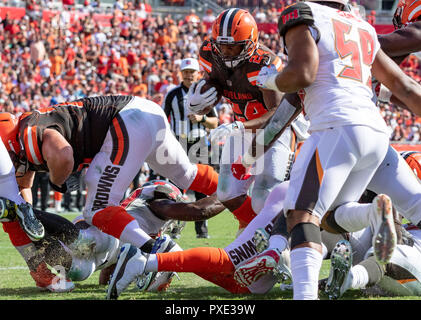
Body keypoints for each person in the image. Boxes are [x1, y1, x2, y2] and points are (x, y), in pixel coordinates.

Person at [233, 0, 421, 300]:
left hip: (336, 129)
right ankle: (374, 213)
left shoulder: (301, 13)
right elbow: (405, 87)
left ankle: (304, 295)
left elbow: (302, 75)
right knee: (331, 215)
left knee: (301, 215)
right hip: (375, 134)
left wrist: (271, 79)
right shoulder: (362, 25)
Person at [1, 95, 220, 261]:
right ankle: (242, 203)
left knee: (96, 209)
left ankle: (158, 252)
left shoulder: (27, 133)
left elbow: (63, 155)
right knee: (187, 175)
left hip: (125, 122)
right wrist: (26, 215)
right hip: (144, 111)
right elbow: (23, 188)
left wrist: (57, 182)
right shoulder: (22, 142)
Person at [187, 8, 308, 232]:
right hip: (241, 129)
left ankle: (281, 236)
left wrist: (238, 125)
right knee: (226, 192)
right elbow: (217, 85)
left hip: (274, 132)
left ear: (250, 42)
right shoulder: (209, 53)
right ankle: (254, 229)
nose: (226, 51)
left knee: (264, 194)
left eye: (233, 46)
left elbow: (277, 112)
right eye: (221, 45)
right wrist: (202, 103)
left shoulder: (263, 63)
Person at [106, 181, 292, 300]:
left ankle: (170, 252)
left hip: (298, 202)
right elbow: (197, 209)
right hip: (293, 201)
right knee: (229, 260)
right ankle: (144, 263)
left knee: (248, 289)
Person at [163, 58, 219, 239]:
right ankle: (172, 229)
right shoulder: (171, 95)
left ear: (198, 74)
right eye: (185, 71)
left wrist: (202, 119)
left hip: (199, 143)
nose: (189, 75)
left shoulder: (204, 93)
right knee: (174, 187)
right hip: (178, 143)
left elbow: (215, 122)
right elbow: (163, 121)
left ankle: (202, 231)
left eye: (191, 71)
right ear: (181, 73)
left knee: (201, 187)